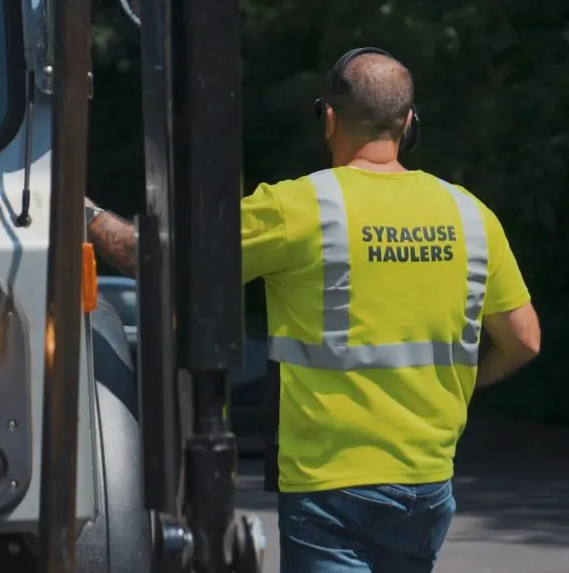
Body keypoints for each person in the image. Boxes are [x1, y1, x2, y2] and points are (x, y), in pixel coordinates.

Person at [84, 47, 541, 572]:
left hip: (331, 487)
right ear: (409, 122)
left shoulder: (299, 209)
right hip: (427, 485)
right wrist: (462, 385)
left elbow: (159, 259)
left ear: (328, 118)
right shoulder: (470, 214)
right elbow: (524, 340)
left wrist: (84, 211)